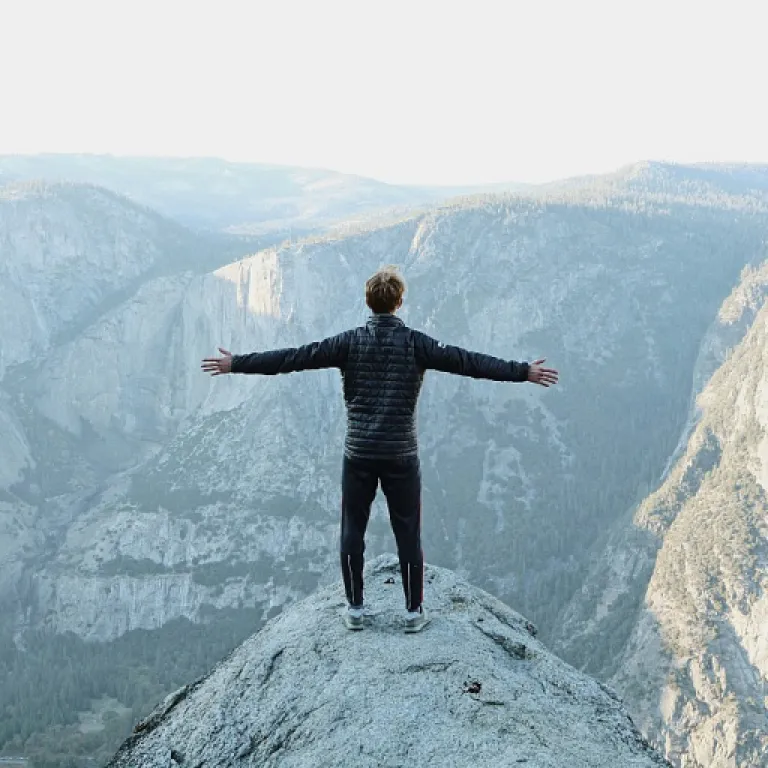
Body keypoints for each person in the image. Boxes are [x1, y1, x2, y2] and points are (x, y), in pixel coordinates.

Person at [201, 266, 558, 633]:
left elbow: (292, 358)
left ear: (368, 302)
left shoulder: (348, 343)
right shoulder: (417, 344)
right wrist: (522, 371)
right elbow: (469, 362)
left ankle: (355, 609)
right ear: (399, 302)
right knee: (408, 532)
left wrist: (236, 363)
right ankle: (413, 612)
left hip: (358, 454)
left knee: (352, 529)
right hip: (401, 455)